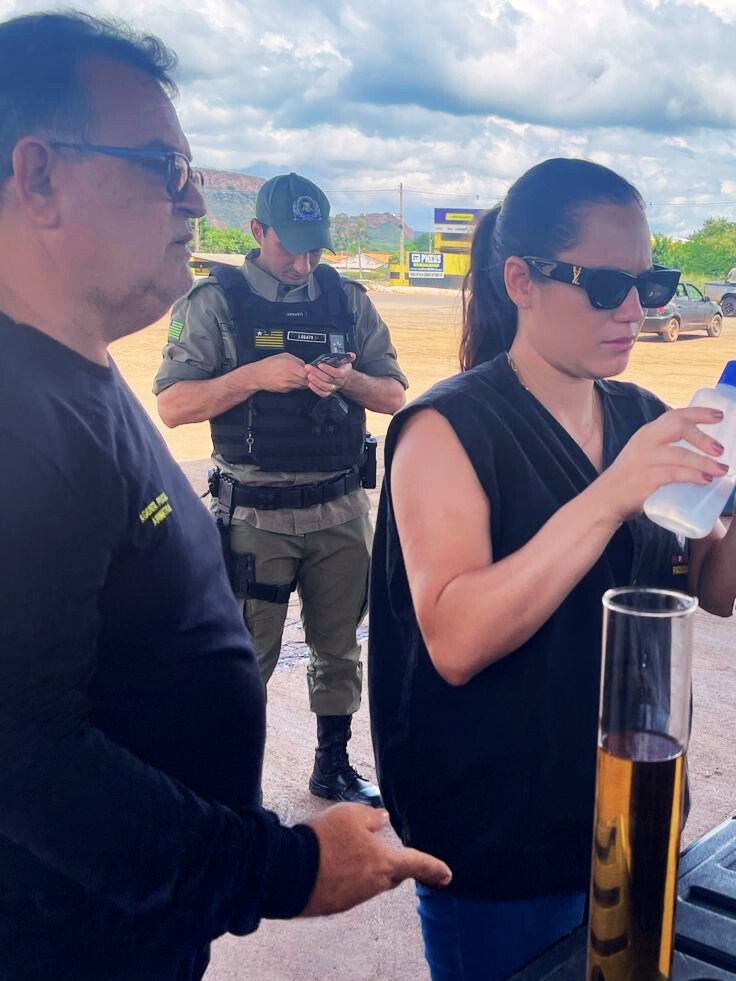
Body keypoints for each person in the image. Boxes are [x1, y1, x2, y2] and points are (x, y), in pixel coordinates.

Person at [0, 13, 448, 979]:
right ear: (37, 178)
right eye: (165, 167)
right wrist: (283, 868)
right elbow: (25, 757)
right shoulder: (14, 419)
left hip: (134, 927)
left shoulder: (66, 373)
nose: (194, 199)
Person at [369, 157, 736, 980]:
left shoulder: (640, 416)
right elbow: (455, 639)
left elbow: (713, 589)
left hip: (633, 809)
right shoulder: (448, 429)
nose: (635, 310)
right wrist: (611, 494)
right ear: (521, 281)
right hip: (500, 847)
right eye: (606, 286)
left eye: (650, 283)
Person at [154, 172, 408, 806]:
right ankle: (230, 787)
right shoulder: (214, 302)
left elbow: (393, 395)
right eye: (290, 247)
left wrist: (347, 382)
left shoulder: (347, 300)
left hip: (340, 509)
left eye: (315, 249)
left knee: (339, 648)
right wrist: (254, 377)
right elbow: (174, 405)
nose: (303, 263)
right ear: (257, 231)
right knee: (244, 659)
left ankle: (333, 766)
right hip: (254, 517)